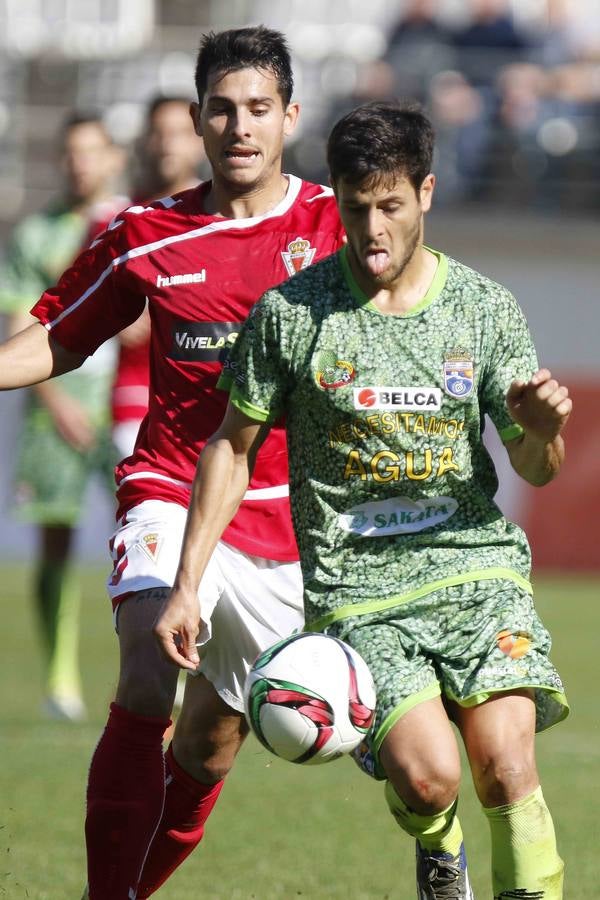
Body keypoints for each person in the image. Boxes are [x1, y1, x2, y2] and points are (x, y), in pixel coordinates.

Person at [156, 101, 571, 899]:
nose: (372, 228)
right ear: (337, 198)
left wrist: (542, 431)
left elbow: (536, 466)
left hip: (475, 569)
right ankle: (438, 848)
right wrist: (185, 583)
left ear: (427, 193)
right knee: (429, 780)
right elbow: (230, 448)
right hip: (359, 588)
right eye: (355, 207)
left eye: (390, 206)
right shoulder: (292, 313)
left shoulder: (484, 309)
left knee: (507, 768)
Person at [0, 26, 345, 899]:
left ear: (289, 116)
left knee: (210, 743)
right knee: (149, 669)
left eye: (259, 109)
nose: (240, 127)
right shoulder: (147, 233)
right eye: (222, 110)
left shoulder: (337, 227)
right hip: (169, 492)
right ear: (196, 120)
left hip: (285, 520)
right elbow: (59, 336)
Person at [0, 112, 125, 722]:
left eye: (91, 151)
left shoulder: (135, 223)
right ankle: (60, 681)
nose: (80, 163)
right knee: (55, 541)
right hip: (58, 414)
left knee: (151, 540)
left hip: (128, 407)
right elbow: (20, 328)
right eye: (70, 152)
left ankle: (162, 673)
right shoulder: (34, 236)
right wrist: (56, 400)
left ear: (113, 157)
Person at [107, 93, 207, 460]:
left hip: (210, 405)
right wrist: (111, 319)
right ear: (144, 140)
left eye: (179, 132)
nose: (167, 144)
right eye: (159, 132)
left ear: (200, 139)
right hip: (131, 402)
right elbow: (70, 300)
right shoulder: (118, 220)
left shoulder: (222, 219)